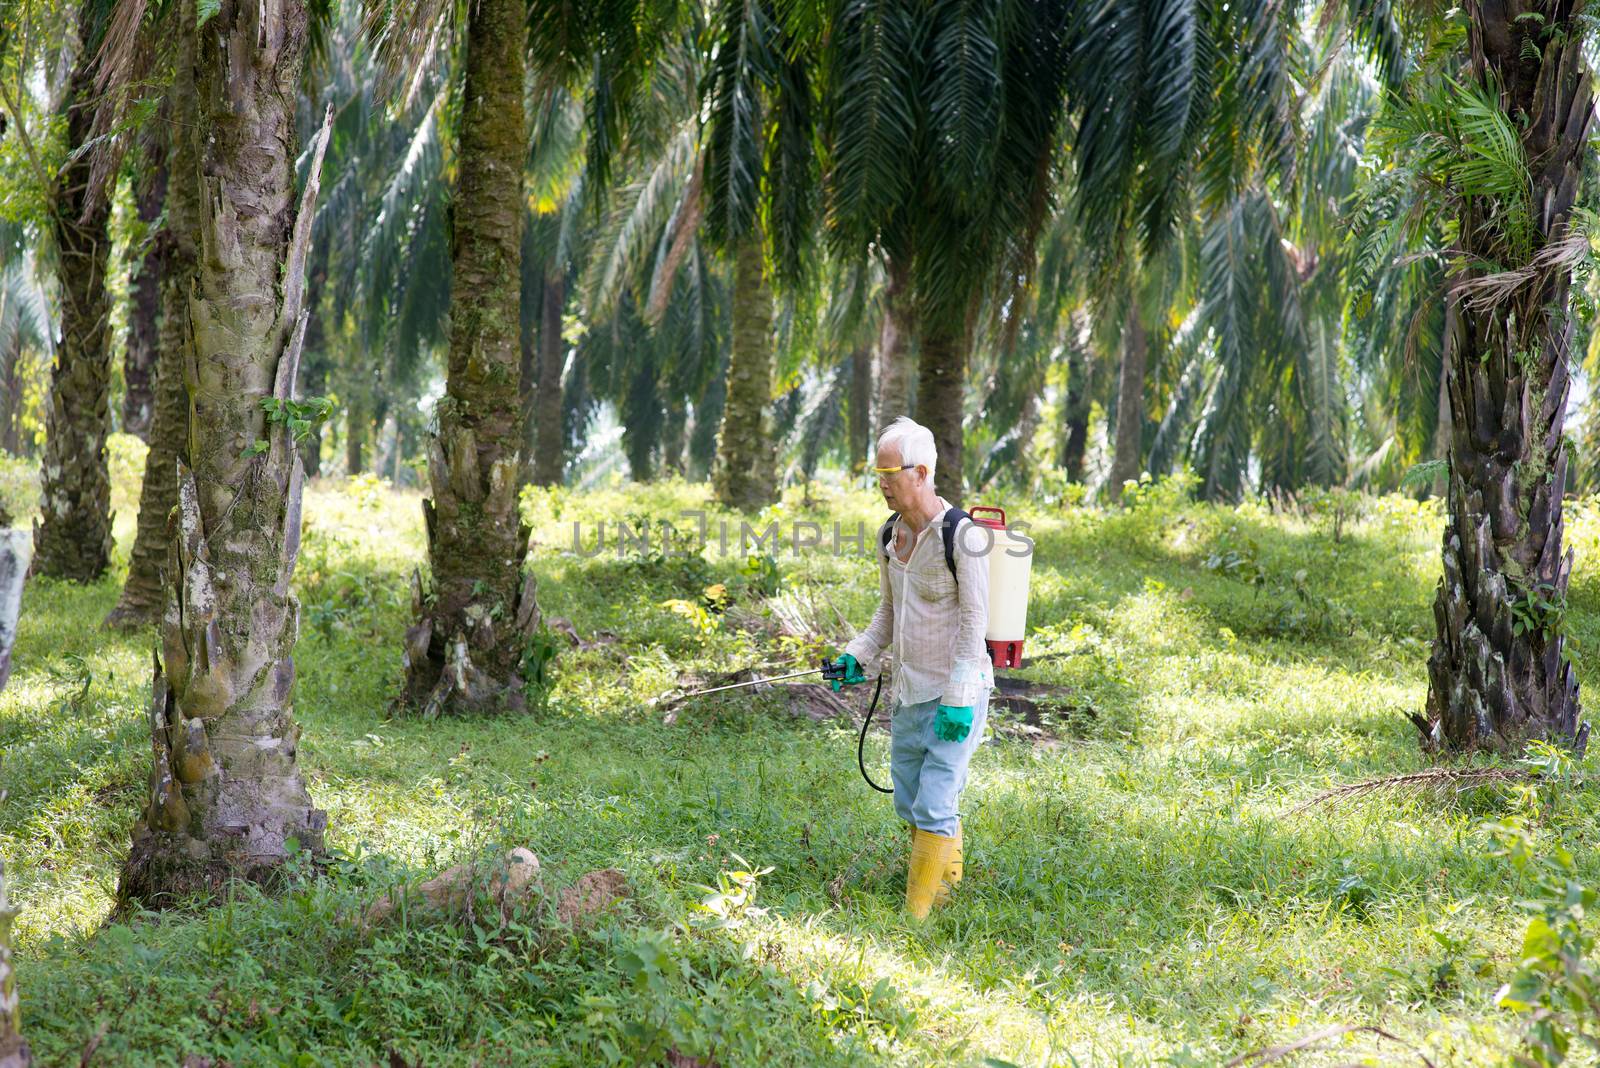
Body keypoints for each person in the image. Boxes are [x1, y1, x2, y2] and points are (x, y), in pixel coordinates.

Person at [830, 416, 993, 919]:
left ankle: (916, 920)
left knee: (937, 800)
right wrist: (857, 654)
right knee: (911, 801)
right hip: (908, 691)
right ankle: (946, 889)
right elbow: (889, 612)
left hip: (953, 694)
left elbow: (974, 620)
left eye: (890, 473)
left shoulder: (961, 536)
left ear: (921, 473)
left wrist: (961, 699)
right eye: (876, 474)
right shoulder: (889, 535)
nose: (881, 484)